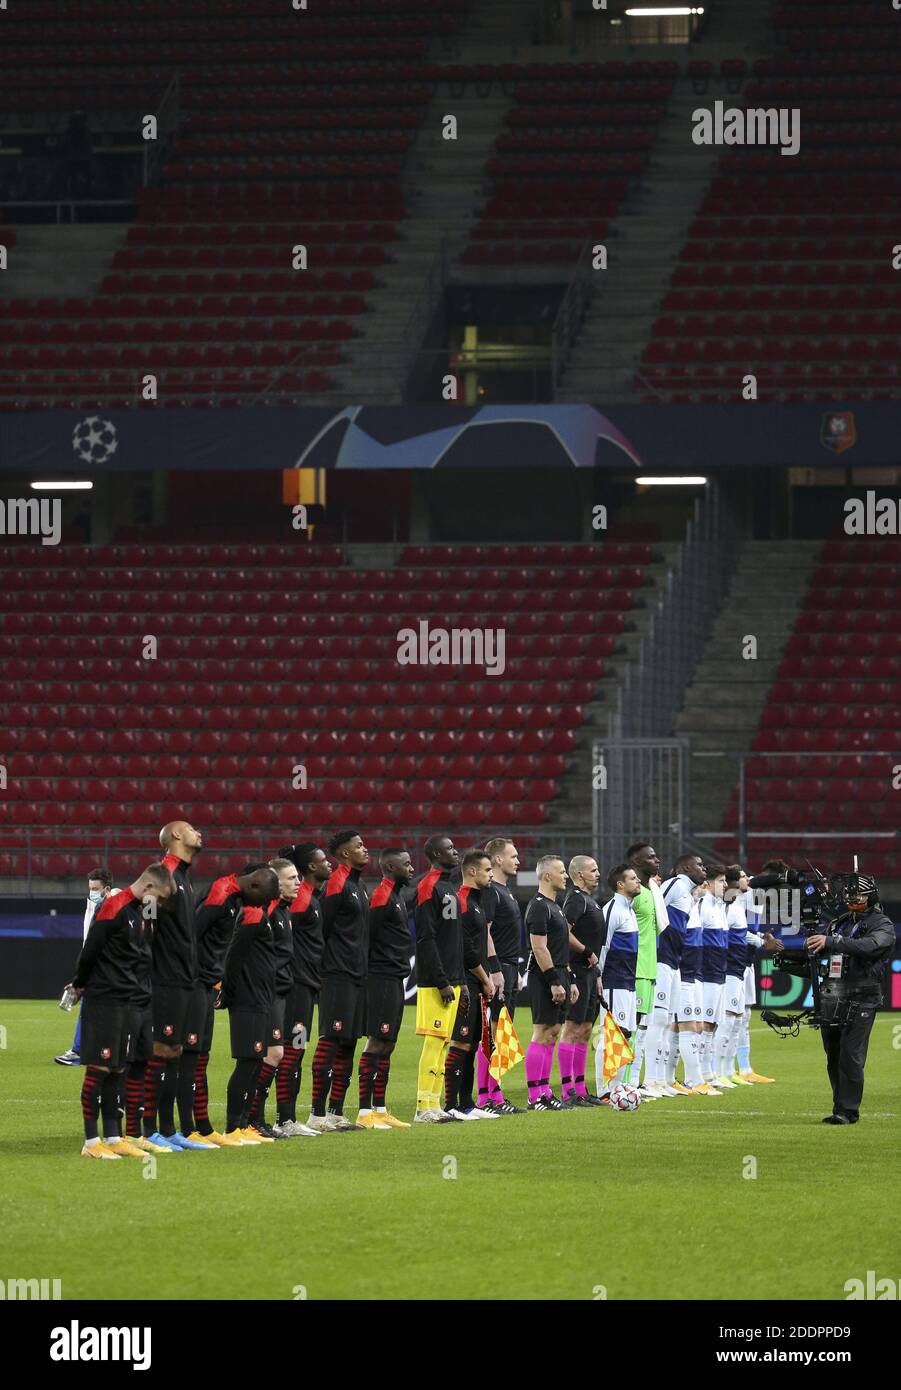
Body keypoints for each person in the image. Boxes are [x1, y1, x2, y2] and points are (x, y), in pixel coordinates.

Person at [66, 864, 175, 1159]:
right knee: (99, 1068)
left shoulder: (143, 911)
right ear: (149, 888)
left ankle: (113, 1137)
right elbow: (90, 951)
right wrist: (79, 985)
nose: (161, 905)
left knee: (117, 1068)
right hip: (106, 999)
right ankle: (91, 1142)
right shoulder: (114, 907)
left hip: (130, 1000)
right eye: (161, 898)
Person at [185, 864, 281, 1147]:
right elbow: (228, 952)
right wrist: (223, 990)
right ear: (254, 886)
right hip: (223, 992)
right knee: (193, 1059)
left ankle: (208, 1127)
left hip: (240, 991)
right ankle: (221, 1126)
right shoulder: (226, 897)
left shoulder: (241, 902)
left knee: (203, 1058)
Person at [807, 873, 895, 1125]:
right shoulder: (839, 923)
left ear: (871, 896)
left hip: (863, 996)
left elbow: (871, 946)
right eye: (849, 894)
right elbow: (823, 955)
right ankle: (840, 1107)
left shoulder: (882, 924)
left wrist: (833, 941)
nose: (852, 898)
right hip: (833, 996)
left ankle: (848, 1111)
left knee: (851, 1054)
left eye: (859, 894)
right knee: (833, 1054)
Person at [141, 820, 205, 1151]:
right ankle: (147, 1129)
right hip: (164, 979)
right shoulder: (163, 873)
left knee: (175, 1051)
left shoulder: (183, 877)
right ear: (176, 836)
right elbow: (144, 924)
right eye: (192, 828)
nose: (199, 833)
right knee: (160, 1050)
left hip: (183, 979)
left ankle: (168, 1130)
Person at [307, 831, 370, 1133]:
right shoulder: (337, 883)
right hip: (336, 975)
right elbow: (322, 929)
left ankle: (335, 1113)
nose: (364, 849)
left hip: (356, 975)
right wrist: (325, 969)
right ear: (344, 854)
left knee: (348, 1042)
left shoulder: (359, 886)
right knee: (331, 1040)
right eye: (358, 846)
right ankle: (316, 1114)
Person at [221, 864, 280, 1143]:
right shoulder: (253, 915)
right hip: (248, 998)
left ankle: (244, 1124)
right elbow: (234, 955)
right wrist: (229, 993)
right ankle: (234, 1126)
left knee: (255, 1062)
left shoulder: (261, 914)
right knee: (247, 1062)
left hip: (260, 997)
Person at [357, 847, 415, 1129]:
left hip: (394, 977)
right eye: (406, 864)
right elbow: (367, 936)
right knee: (377, 1042)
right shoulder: (381, 895)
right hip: (380, 977)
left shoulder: (396, 896)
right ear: (391, 868)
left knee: (388, 1043)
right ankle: (365, 1112)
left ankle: (379, 1109)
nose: (411, 868)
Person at [276, 842, 328, 1135]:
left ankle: (288, 1119)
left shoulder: (311, 897)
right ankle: (284, 1120)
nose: (328, 864)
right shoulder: (301, 900)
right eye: (323, 860)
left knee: (296, 1050)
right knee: (291, 1051)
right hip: (295, 986)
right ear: (309, 867)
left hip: (306, 985)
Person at [412, 834, 465, 1123]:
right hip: (436, 982)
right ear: (434, 853)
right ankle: (423, 1106)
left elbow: (451, 939)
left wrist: (460, 982)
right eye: (449, 849)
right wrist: (442, 980)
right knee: (434, 1042)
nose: (455, 852)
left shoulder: (449, 887)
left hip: (453, 979)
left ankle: (435, 1103)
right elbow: (426, 938)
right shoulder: (428, 886)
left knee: (444, 1043)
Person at [444, 850, 499, 1121]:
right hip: (466, 983)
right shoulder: (461, 901)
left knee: (473, 1041)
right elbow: (466, 950)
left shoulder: (477, 902)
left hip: (478, 983)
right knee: (461, 1042)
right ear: (473, 872)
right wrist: (486, 978)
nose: (491, 874)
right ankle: (450, 1104)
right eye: (488, 870)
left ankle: (466, 1103)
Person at [247, 857, 299, 1137]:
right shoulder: (266, 912)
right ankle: (250, 1119)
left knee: (272, 1054)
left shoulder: (283, 912)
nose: (298, 882)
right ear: (275, 883)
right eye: (291, 878)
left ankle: (255, 1119)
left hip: (278, 992)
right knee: (269, 1054)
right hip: (264, 994)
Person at [524, 855, 578, 1111]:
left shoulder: (555, 907)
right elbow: (539, 948)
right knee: (542, 1032)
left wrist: (571, 980)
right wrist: (554, 981)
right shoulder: (538, 906)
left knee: (553, 1033)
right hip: (545, 976)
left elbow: (558, 948)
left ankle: (545, 1092)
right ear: (547, 876)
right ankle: (535, 1096)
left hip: (561, 974)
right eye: (561, 871)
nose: (565, 875)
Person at [659, 853, 716, 1096]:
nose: (704, 869)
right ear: (684, 867)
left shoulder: (690, 898)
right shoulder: (674, 885)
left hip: (685, 969)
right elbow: (655, 910)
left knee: (678, 1025)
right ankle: (692, 1079)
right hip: (676, 968)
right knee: (684, 1025)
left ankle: (670, 1079)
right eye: (699, 865)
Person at [720, 865, 780, 1088]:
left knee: (744, 1017)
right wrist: (762, 942)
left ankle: (744, 1068)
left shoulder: (754, 898)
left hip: (746, 963)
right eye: (744, 876)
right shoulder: (733, 901)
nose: (748, 879)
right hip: (732, 964)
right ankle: (723, 1070)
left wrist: (761, 937)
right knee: (730, 1017)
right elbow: (734, 932)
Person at [478, 837, 524, 1113]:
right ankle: (487, 1096)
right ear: (497, 860)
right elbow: (484, 931)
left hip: (508, 966)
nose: (518, 860)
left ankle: (494, 1094)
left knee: (502, 1032)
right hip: (497, 969)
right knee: (493, 1033)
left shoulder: (505, 891)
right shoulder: (491, 892)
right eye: (513, 856)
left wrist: (513, 969)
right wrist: (495, 969)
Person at [559, 854, 606, 1106]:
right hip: (576, 971)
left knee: (586, 1030)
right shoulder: (575, 900)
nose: (598, 873)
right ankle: (568, 1091)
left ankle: (580, 1087)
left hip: (589, 973)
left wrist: (596, 972)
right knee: (572, 1029)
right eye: (593, 870)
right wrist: (586, 952)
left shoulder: (591, 901)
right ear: (579, 875)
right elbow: (562, 932)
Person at [56, 866, 113, 1065]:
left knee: (95, 1008)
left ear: (107, 889)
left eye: (96, 888)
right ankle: (84, 1050)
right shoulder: (94, 906)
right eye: (90, 887)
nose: (92, 892)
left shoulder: (113, 905)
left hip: (107, 968)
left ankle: (80, 1051)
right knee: (94, 1008)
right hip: (98, 966)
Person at [623, 842, 669, 1095]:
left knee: (641, 1030)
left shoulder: (650, 891)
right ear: (638, 863)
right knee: (631, 1029)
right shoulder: (633, 895)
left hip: (650, 967)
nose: (657, 860)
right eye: (651, 857)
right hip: (635, 968)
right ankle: (623, 1083)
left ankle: (633, 1083)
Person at [596, 863, 641, 1099]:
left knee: (625, 1035)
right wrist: (599, 977)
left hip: (627, 982)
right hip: (613, 981)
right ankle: (605, 1089)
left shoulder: (629, 909)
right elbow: (602, 946)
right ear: (620, 884)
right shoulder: (612, 909)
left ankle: (617, 1087)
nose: (638, 881)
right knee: (611, 1034)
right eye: (633, 878)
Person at [697, 864, 729, 1090]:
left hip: (719, 973)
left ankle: (709, 1072)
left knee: (714, 1023)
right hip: (707, 973)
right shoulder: (702, 906)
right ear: (707, 883)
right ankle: (699, 1073)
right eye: (721, 881)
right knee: (704, 1023)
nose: (726, 885)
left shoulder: (719, 906)